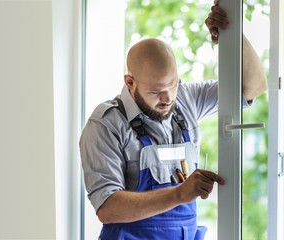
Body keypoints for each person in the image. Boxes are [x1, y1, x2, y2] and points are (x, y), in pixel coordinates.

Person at [79, 1, 267, 239]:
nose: (168, 98)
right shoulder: (106, 123)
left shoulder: (186, 99)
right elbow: (107, 207)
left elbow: (254, 87)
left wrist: (230, 36)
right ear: (130, 82)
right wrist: (180, 193)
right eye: (156, 91)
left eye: (173, 85)